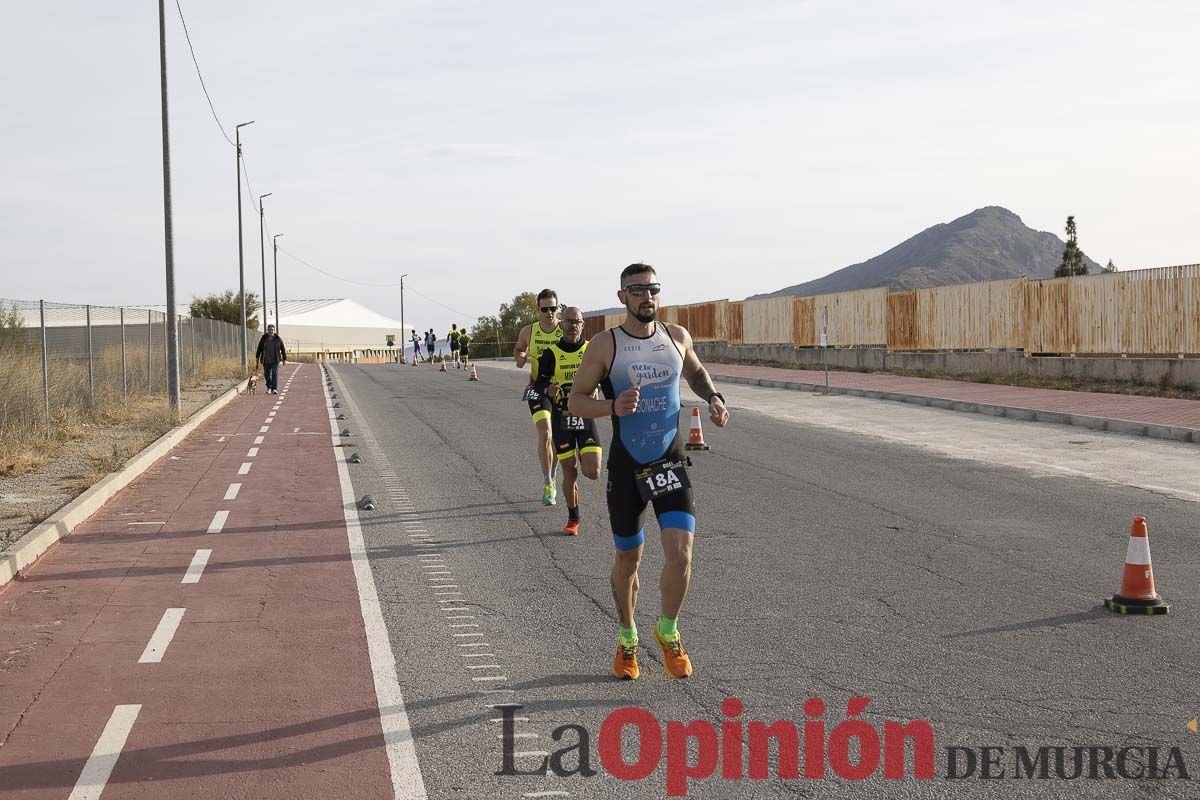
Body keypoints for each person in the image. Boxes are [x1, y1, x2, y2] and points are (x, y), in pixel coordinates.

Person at [570, 263, 730, 681]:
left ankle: (667, 630)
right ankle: (627, 639)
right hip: (627, 466)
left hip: (668, 460)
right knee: (629, 559)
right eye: (637, 290)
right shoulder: (606, 345)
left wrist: (713, 397)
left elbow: (694, 371)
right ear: (622, 297)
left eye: (653, 289)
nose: (647, 296)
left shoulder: (676, 337)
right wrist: (611, 407)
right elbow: (575, 402)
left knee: (681, 554)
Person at [532, 307, 601, 535]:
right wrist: (547, 388)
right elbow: (538, 385)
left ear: (583, 325)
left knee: (593, 471)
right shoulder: (550, 353)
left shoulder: (592, 349)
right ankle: (573, 518)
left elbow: (605, 377)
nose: (573, 326)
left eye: (577, 322)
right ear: (562, 325)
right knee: (569, 471)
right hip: (563, 419)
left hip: (586, 416)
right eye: (569, 321)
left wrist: (599, 388)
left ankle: (583, 454)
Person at [514, 290, 563, 506]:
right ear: (538, 310)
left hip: (562, 390)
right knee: (546, 434)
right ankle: (547, 484)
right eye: (545, 309)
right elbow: (518, 350)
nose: (550, 313)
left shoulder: (566, 330)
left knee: (559, 440)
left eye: (553, 308)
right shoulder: (529, 331)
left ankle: (553, 473)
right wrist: (521, 357)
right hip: (536, 388)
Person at [254, 324, 288, 395]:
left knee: (274, 374)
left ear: (274, 331)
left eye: (272, 330)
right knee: (266, 375)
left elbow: (283, 349)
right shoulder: (264, 339)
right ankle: (269, 387)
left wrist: (284, 359)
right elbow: (259, 348)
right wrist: (257, 357)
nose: (271, 331)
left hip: (275, 360)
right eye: (269, 330)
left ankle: (274, 388)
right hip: (265, 360)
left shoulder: (278, 339)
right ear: (267, 330)